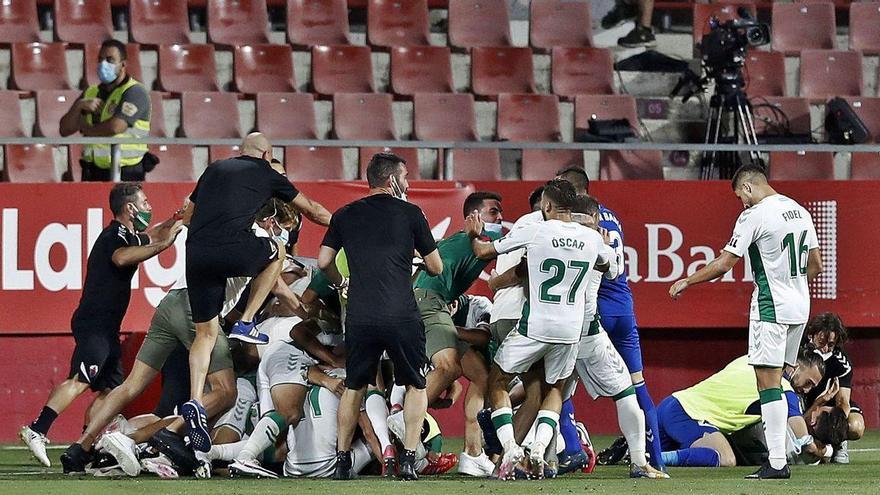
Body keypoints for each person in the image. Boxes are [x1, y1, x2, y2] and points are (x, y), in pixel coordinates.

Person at [669, 164, 823, 479]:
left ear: (749, 187)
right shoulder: (799, 211)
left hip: (771, 307)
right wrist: (791, 283)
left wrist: (687, 281)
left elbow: (725, 262)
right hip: (799, 305)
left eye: (741, 196)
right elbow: (816, 265)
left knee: (767, 384)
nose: (742, 203)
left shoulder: (754, 215)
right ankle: (779, 458)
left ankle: (777, 462)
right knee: (779, 382)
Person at [181, 132, 331, 453]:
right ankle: (247, 321)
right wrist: (348, 227)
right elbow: (313, 211)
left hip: (196, 252)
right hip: (233, 247)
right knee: (277, 250)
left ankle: (194, 399)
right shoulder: (267, 173)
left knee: (205, 334)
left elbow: (188, 216)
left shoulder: (214, 169)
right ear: (266, 156)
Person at [20, 183, 181, 468]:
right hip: (95, 323)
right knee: (81, 379)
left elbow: (151, 235)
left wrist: (177, 221)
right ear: (129, 208)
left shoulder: (130, 235)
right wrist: (162, 246)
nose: (148, 207)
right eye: (144, 203)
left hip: (108, 327)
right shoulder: (113, 236)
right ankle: (38, 428)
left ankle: (86, 445)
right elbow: (121, 257)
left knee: (110, 392)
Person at [467, 179, 610, 480]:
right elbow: (611, 268)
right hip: (571, 330)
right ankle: (540, 446)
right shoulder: (592, 237)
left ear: (546, 205)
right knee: (555, 389)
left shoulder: (536, 228)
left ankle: (510, 447)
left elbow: (484, 252)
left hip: (535, 325)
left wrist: (473, 235)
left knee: (498, 381)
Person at [318, 152, 443, 481]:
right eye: (405, 177)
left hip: (359, 314)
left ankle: (342, 462)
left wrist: (340, 282)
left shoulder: (344, 215)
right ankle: (408, 460)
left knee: (355, 386)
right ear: (391, 181)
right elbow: (436, 267)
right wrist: (408, 256)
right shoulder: (411, 214)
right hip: (401, 313)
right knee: (416, 385)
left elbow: (322, 261)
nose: (408, 183)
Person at [411, 191, 504, 478]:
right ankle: (405, 421)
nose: (500, 218)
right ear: (473, 218)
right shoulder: (474, 241)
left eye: (500, 213)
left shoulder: (462, 240)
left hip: (434, 300)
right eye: (493, 212)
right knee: (449, 366)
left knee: (481, 375)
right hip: (428, 299)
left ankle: (473, 454)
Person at [656, 351, 827, 468]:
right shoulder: (782, 387)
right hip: (688, 416)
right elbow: (805, 443)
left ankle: (649, 451)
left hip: (669, 405)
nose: (807, 390)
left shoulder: (750, 358)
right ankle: (661, 458)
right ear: (795, 366)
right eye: (808, 382)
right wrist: (825, 451)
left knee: (648, 455)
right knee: (726, 458)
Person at [60, 39, 152, 181]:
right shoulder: (91, 92)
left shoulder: (135, 92)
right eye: (100, 59)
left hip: (126, 172)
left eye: (110, 60)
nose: (104, 64)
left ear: (123, 65)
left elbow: (116, 127)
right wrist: (79, 106)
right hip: (93, 171)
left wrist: (87, 130)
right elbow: (64, 129)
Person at [802, 312, 864, 463]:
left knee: (855, 426)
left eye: (830, 345)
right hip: (803, 405)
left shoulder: (841, 364)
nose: (824, 349)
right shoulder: (798, 352)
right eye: (821, 342)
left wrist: (834, 427)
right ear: (812, 335)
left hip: (829, 409)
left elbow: (843, 401)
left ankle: (838, 442)